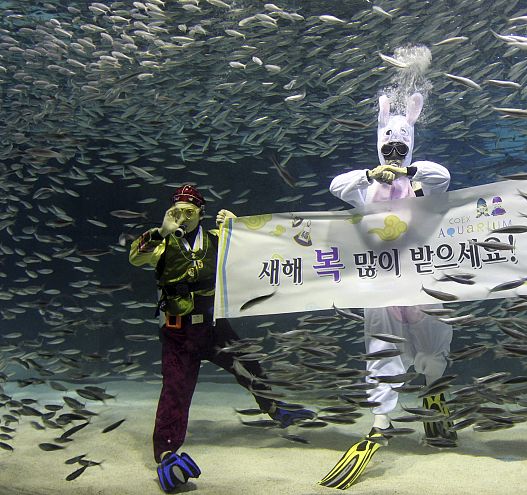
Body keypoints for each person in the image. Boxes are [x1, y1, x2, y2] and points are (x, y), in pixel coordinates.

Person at [129, 184, 314, 493]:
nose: (183, 216)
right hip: (178, 333)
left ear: (202, 212)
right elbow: (136, 257)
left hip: (214, 327)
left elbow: (255, 258)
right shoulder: (161, 242)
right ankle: (165, 454)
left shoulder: (217, 239)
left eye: (189, 211)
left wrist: (237, 228)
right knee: (175, 391)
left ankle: (275, 411)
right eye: (177, 210)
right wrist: (161, 231)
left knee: (249, 365)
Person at [319, 93, 455, 490]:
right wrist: (369, 175)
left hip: (422, 282)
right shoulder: (363, 189)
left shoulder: (422, 183)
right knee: (381, 351)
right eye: (388, 148)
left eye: (400, 148)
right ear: (379, 147)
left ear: (409, 146)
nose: (393, 154)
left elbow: (441, 176)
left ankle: (433, 396)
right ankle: (380, 421)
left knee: (433, 345)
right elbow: (336, 185)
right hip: (379, 285)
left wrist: (407, 170)